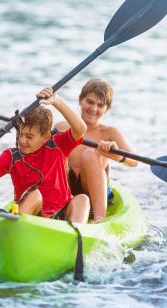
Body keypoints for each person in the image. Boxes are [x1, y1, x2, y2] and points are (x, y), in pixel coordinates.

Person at [0, 87, 90, 223]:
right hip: (30, 218)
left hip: (61, 216)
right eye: (20, 134)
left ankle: (77, 233)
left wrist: (57, 102)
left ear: (46, 136)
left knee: (82, 199)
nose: (22, 141)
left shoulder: (58, 145)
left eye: (29, 137)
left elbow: (81, 129)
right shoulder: (11, 156)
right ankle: (16, 227)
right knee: (34, 194)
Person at [55, 78, 138, 223]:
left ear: (107, 109)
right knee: (57, 151)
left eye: (100, 105)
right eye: (90, 102)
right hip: (65, 191)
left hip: (93, 195)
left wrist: (117, 155)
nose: (93, 109)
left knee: (89, 154)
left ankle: (99, 218)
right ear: (80, 100)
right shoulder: (62, 128)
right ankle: (54, 208)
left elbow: (134, 161)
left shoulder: (110, 132)